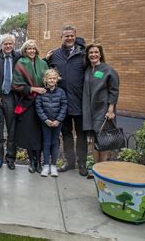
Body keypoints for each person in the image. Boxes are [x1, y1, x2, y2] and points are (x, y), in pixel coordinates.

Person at [46, 25, 88, 176]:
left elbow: (94, 72)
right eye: (66, 36)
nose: (69, 38)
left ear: (75, 36)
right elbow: (47, 72)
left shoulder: (83, 54)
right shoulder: (55, 55)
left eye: (71, 35)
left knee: (81, 134)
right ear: (61, 38)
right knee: (66, 134)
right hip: (62, 104)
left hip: (80, 102)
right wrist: (45, 58)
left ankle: (82, 163)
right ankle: (70, 162)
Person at [12, 39, 48, 173]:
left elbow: (50, 79)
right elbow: (16, 85)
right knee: (29, 133)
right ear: (25, 51)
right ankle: (32, 161)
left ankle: (39, 161)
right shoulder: (21, 63)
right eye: (29, 48)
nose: (31, 51)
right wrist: (34, 89)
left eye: (33, 48)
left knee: (40, 133)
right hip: (27, 103)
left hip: (43, 102)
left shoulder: (43, 63)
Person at [0, 34, 21, 169]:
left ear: (14, 44)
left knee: (12, 130)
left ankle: (11, 159)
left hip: (12, 97)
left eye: (10, 44)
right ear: (1, 45)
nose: (8, 46)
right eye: (5, 44)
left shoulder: (19, 58)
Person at [82, 43, 119, 168]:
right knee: (93, 140)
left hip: (104, 110)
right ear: (87, 55)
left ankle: (103, 169)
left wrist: (110, 110)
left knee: (104, 140)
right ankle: (96, 168)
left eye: (96, 52)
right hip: (90, 110)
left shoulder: (108, 70)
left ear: (100, 54)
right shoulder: (88, 70)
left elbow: (114, 91)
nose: (93, 55)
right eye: (91, 53)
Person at [35, 69, 67, 177]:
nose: (52, 80)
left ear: (57, 79)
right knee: (46, 143)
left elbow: (64, 106)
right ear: (45, 79)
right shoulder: (42, 92)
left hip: (58, 123)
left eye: (54, 78)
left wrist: (58, 120)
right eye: (50, 78)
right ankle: (46, 165)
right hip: (46, 123)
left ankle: (53, 165)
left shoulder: (61, 92)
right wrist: (45, 120)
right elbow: (38, 107)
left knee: (55, 143)